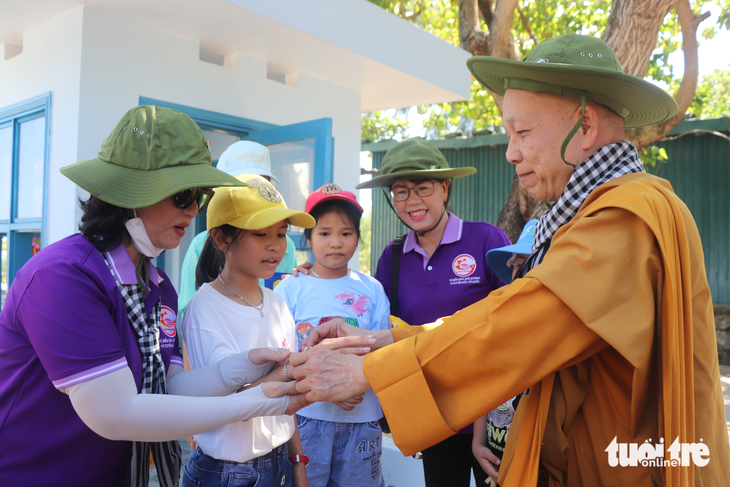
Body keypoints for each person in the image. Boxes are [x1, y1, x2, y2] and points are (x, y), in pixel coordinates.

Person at [288, 34, 730, 487]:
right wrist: (384, 340)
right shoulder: (591, 213)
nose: (511, 152)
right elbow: (500, 316)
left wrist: (370, 370)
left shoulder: (625, 217)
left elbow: (518, 327)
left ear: (585, 127)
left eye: (522, 132)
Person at [0, 106, 309, 487]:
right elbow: (116, 414)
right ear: (128, 190)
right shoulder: (62, 276)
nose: (195, 210)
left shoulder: (157, 284)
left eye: (199, 195)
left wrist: (241, 366)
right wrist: (259, 400)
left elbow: (172, 386)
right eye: (183, 195)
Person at [357, 138, 511, 486]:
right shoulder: (392, 258)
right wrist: (319, 275)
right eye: (400, 191)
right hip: (435, 417)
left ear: (445, 188)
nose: (412, 201)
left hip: (494, 416)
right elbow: (378, 325)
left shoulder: (486, 240)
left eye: (422, 188)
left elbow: (512, 324)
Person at [182, 174, 316, 487]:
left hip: (279, 458)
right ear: (221, 239)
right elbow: (235, 407)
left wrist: (297, 461)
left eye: (281, 233)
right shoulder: (205, 309)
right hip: (229, 471)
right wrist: (289, 371)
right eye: (260, 234)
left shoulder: (277, 302)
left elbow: (288, 397)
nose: (275, 246)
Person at [275, 183, 390, 487]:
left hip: (362, 421)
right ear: (309, 239)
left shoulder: (372, 289)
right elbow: (281, 357)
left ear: (358, 238)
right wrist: (327, 386)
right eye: (324, 233)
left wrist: (353, 379)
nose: (336, 242)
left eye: (346, 233)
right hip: (307, 420)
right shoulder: (290, 288)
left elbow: (384, 348)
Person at [178, 140, 297, 318]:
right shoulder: (199, 245)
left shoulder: (286, 246)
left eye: (261, 185)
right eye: (243, 186)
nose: (255, 194)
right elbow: (188, 315)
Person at [474, 219, 537, 485]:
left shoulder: (559, 338)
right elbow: (482, 383)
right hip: (494, 459)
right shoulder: (499, 327)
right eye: (514, 264)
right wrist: (478, 443)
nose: (518, 271)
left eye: (528, 262)